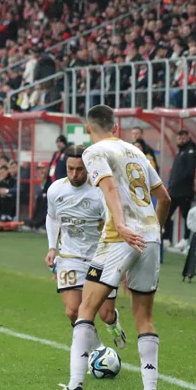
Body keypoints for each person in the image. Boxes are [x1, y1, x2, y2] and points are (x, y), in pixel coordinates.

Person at [50, 105, 170, 390]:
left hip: (120, 236)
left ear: (88, 128)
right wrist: (156, 229)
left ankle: (76, 386)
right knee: (144, 317)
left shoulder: (94, 152)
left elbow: (110, 188)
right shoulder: (136, 151)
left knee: (85, 310)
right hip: (151, 238)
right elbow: (165, 198)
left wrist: (122, 225)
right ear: (114, 125)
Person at [45, 144, 126, 348]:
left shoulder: (99, 192)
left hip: (100, 257)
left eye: (79, 169)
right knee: (73, 311)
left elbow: (113, 225)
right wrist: (51, 247)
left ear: (88, 168)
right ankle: (97, 350)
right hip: (69, 256)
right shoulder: (55, 190)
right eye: (70, 168)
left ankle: (113, 324)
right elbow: (52, 218)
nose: (74, 173)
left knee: (105, 313)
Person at [166, 128, 196, 244]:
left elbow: (189, 172)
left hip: (184, 191)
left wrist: (176, 183)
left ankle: (185, 239)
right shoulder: (180, 152)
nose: (181, 140)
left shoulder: (190, 152)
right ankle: (166, 238)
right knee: (166, 214)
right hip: (174, 190)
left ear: (188, 137)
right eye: (179, 138)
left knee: (186, 215)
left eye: (183, 138)